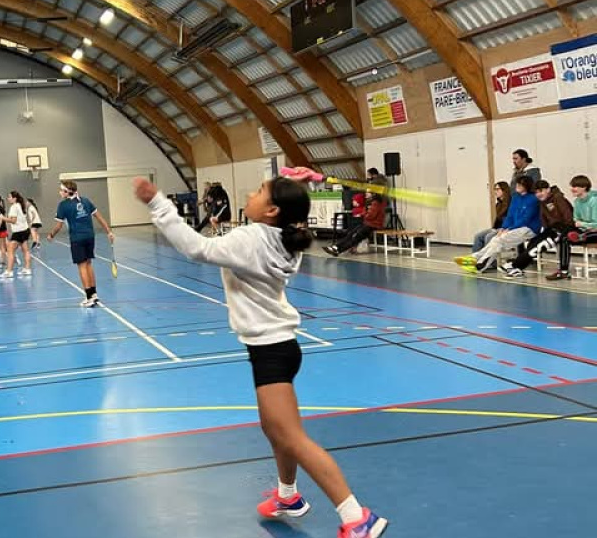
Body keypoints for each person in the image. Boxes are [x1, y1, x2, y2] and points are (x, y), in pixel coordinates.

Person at [133, 170, 388, 538]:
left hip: (271, 350)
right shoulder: (283, 236)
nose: (250, 195)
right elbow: (280, 209)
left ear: (271, 211)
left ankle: (357, 517)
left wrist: (158, 204)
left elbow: (196, 248)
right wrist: (293, 181)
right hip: (278, 347)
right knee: (275, 430)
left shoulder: (252, 238)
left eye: (258, 191)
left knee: (292, 437)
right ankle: (288, 496)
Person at [46, 180, 114, 307]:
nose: (59, 192)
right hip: (90, 236)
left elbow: (59, 225)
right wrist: (109, 232)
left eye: (61, 190)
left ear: (67, 192)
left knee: (82, 266)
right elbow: (99, 217)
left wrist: (51, 235)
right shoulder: (85, 201)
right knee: (88, 264)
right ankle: (94, 294)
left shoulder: (63, 205)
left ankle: (89, 297)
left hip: (77, 238)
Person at [455, 176, 541, 273]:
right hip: (516, 227)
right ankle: (475, 259)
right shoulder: (515, 198)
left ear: (527, 186)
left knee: (499, 240)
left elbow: (525, 219)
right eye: (517, 183)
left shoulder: (533, 199)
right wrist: (503, 228)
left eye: (520, 184)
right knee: (496, 239)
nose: (517, 186)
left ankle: (479, 264)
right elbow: (510, 216)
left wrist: (510, 228)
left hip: (529, 229)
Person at [499, 180, 573, 278]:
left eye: (541, 191)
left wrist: (562, 232)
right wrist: (545, 232)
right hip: (551, 229)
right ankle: (517, 267)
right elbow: (544, 220)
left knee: (540, 245)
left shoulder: (558, 198)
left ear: (548, 190)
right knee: (533, 242)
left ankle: (515, 266)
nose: (538, 194)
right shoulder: (542, 202)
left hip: (564, 229)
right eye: (536, 192)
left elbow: (568, 218)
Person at [548, 175, 597, 281]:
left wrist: (583, 224)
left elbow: (595, 224)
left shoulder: (594, 201)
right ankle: (564, 272)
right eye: (572, 186)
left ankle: (580, 236)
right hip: (584, 230)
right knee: (564, 237)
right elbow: (575, 220)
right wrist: (582, 225)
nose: (572, 189)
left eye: (575, 186)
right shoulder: (577, 201)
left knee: (586, 232)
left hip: (594, 231)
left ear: (584, 187)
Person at [322, 192, 386, 257]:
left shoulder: (376, 202)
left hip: (374, 225)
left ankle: (339, 250)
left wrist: (364, 215)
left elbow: (370, 216)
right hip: (367, 223)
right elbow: (365, 212)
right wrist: (363, 214)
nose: (366, 194)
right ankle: (336, 246)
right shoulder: (369, 202)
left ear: (373, 194)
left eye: (368, 193)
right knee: (351, 234)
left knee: (356, 237)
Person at [0, 191, 32, 278]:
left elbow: (13, 221)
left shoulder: (14, 207)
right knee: (26, 250)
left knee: (10, 251)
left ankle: (9, 272)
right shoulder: (20, 205)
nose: (8, 198)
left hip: (18, 232)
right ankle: (27, 269)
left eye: (9, 197)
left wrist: (3, 218)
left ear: (14, 198)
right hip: (25, 230)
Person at [472, 182, 511, 252]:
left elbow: (510, 219)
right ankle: (476, 257)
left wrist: (502, 229)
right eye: (495, 189)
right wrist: (494, 228)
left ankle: (488, 258)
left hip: (506, 229)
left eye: (497, 189)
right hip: (497, 228)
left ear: (504, 190)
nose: (495, 191)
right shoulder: (498, 204)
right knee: (478, 236)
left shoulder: (511, 203)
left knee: (489, 236)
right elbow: (498, 219)